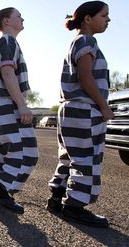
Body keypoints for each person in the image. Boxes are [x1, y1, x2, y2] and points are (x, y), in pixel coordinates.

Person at [47, 1, 112, 228]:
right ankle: (75, 207)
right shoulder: (87, 41)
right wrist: (104, 106)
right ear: (87, 18)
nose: (108, 20)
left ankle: (57, 198)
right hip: (84, 109)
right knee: (86, 158)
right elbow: (86, 77)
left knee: (68, 156)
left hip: (70, 109)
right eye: (104, 15)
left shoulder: (76, 42)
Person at [0, 7, 38, 214]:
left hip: (1, 103)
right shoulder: (7, 41)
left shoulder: (6, 42)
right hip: (8, 103)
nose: (23, 19)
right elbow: (7, 72)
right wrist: (22, 104)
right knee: (25, 151)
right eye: (18, 16)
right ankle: (2, 192)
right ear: (7, 21)